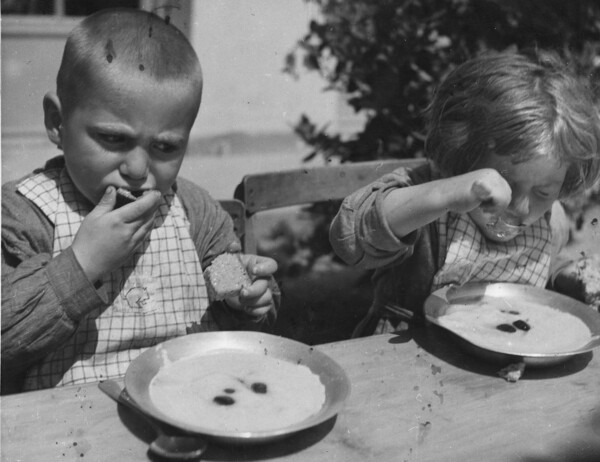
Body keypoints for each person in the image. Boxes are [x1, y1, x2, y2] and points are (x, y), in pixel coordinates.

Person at [1, 8, 279, 393]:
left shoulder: (190, 209)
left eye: (164, 147)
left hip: (184, 408)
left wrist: (241, 292)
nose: (136, 168)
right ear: (57, 123)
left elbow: (222, 279)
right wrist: (81, 266)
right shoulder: (22, 214)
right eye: (114, 139)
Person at [329, 49, 600, 337]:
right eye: (505, 183)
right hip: (404, 361)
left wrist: (567, 277)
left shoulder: (549, 218)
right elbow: (350, 237)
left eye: (544, 192)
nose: (520, 208)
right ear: (464, 157)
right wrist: (451, 193)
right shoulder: (428, 198)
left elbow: (529, 262)